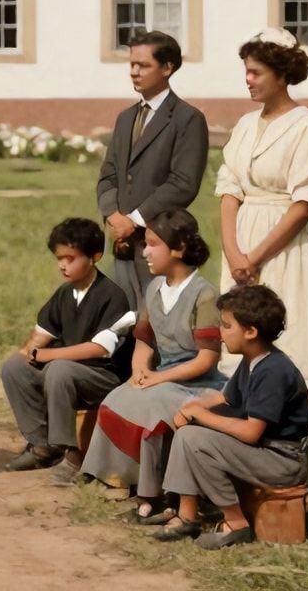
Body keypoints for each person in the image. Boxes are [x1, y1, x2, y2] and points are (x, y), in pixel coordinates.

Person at [213, 28, 308, 464]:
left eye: (255, 72)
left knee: (290, 335)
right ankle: (238, 441)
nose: (248, 80)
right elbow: (229, 187)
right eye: (246, 72)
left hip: (284, 249)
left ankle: (302, 449)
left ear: (280, 74)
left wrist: (257, 256)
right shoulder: (246, 125)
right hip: (243, 243)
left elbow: (305, 204)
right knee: (238, 334)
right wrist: (234, 252)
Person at [80, 208, 223, 521]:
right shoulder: (153, 289)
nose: (144, 251)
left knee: (153, 406)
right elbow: (144, 340)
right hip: (163, 379)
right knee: (118, 398)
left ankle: (152, 495)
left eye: (153, 244)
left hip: (198, 384)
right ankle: (121, 477)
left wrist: (159, 379)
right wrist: (140, 370)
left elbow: (207, 358)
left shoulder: (205, 294)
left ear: (179, 249)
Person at [152, 284, 308, 550]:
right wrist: (191, 408)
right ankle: (186, 515)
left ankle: (236, 523)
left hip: (283, 460)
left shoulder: (273, 370)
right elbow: (226, 398)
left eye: (227, 326)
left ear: (251, 332)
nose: (220, 332)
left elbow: (251, 432)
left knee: (195, 439)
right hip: (268, 451)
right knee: (189, 432)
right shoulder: (253, 359)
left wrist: (201, 417)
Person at [0, 218, 133, 484]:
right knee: (14, 366)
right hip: (66, 374)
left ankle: (72, 455)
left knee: (59, 369)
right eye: (59, 258)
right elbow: (41, 335)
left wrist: (46, 356)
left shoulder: (112, 295)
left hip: (103, 377)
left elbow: (100, 349)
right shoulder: (64, 294)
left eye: (70, 258)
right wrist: (28, 352)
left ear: (94, 257)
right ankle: (41, 446)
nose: (62, 264)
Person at [96, 31, 210, 312]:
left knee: (159, 322)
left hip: (161, 242)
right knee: (122, 319)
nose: (134, 72)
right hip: (122, 244)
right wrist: (113, 216)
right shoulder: (125, 118)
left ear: (167, 67)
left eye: (143, 65)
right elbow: (108, 175)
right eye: (132, 65)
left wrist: (134, 221)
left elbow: (183, 183)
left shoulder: (188, 119)